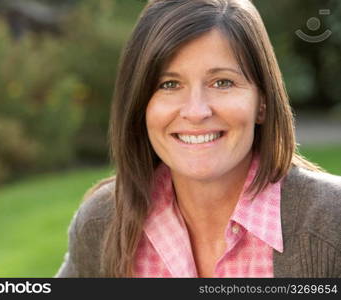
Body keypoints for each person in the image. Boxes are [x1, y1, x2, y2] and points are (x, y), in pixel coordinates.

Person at [55, 0, 341, 278]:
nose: (196, 112)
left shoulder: (332, 222)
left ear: (262, 102)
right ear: (140, 104)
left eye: (222, 82)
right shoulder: (103, 223)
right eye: (169, 85)